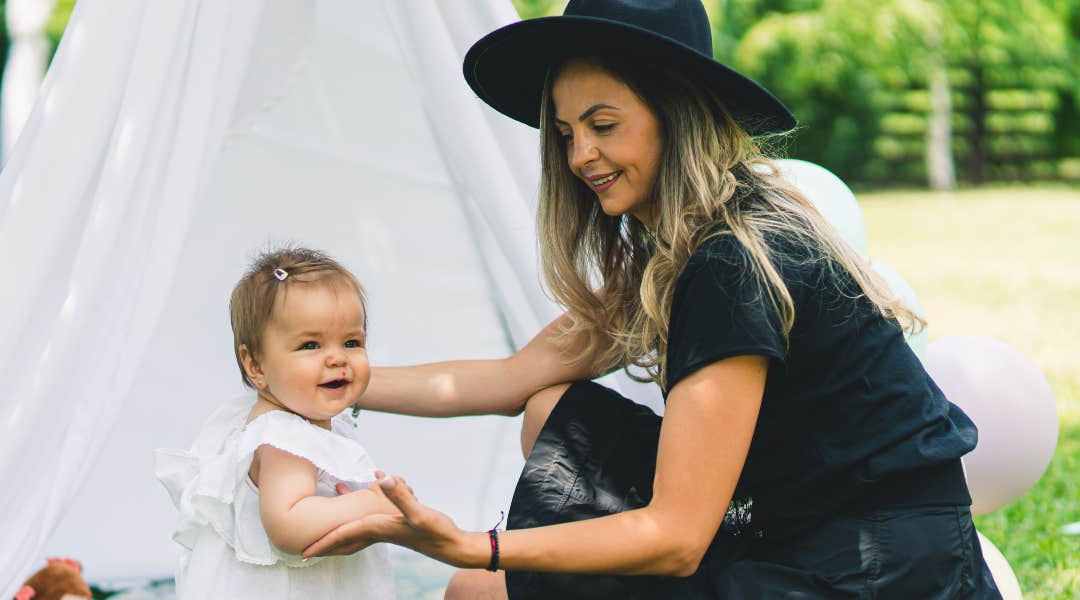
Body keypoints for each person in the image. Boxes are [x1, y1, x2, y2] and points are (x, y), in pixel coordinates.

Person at [303, 1, 1004, 598]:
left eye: (604, 126)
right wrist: (334, 381)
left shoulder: (732, 264)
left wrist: (472, 545)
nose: (580, 157)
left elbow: (674, 538)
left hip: (874, 568)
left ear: (675, 115)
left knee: (474, 590)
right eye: (568, 132)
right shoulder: (680, 246)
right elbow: (512, 379)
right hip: (788, 520)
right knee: (551, 409)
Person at [154, 247, 396, 599]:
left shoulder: (298, 421)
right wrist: (371, 504)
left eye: (352, 342)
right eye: (310, 344)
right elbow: (290, 526)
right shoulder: (284, 437)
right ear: (255, 365)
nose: (337, 358)